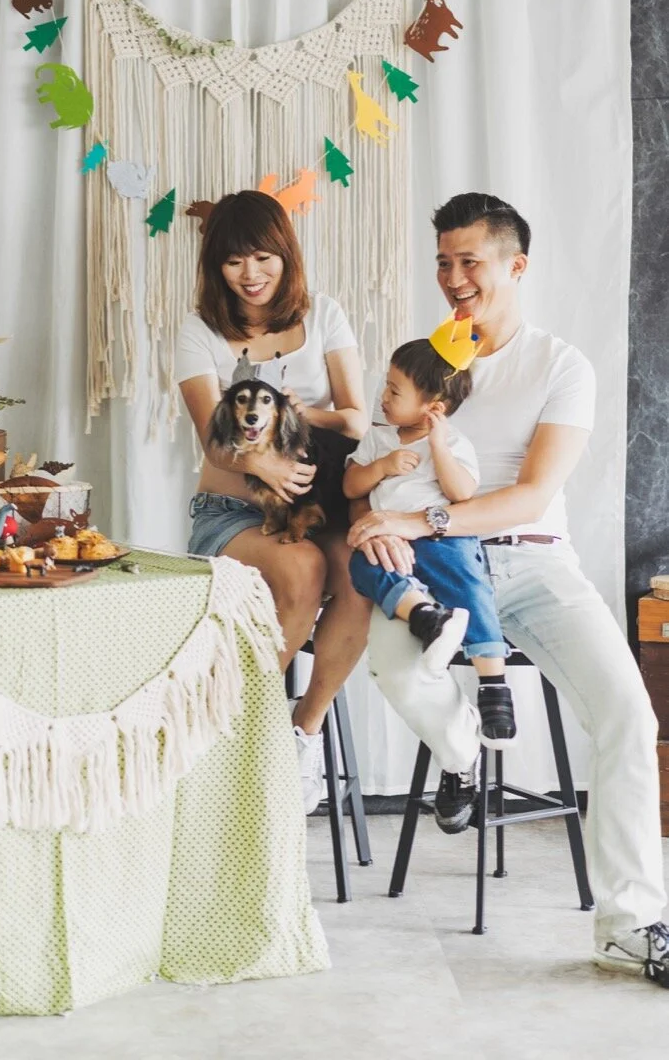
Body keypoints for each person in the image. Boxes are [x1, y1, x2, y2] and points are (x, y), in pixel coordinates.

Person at [347, 192, 668, 984]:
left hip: (532, 561)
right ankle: (462, 755)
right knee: (396, 667)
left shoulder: (560, 365)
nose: (453, 278)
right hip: (428, 568)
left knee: (628, 714)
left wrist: (420, 518)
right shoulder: (421, 363)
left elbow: (530, 496)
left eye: (470, 261)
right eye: (443, 263)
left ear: (515, 265)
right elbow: (371, 467)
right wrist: (374, 525)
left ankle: (631, 924)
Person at [175, 190, 372, 812]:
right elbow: (214, 444)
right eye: (234, 261)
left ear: (286, 255)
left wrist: (296, 415)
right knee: (305, 568)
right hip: (232, 512)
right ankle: (232, 735)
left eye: (263, 257)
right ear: (217, 267)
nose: (251, 274)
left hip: (316, 508)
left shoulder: (325, 315)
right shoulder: (199, 331)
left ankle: (300, 734)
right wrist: (262, 461)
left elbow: (357, 420)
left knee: (363, 573)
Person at [344, 333, 517, 757]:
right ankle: (425, 616)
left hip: (441, 538)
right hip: (390, 543)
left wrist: (438, 448)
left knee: (468, 584)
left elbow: (461, 494)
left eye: (394, 391)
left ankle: (493, 682)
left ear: (433, 407)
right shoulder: (379, 439)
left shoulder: (453, 444)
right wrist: (381, 467)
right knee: (362, 568)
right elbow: (351, 487)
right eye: (386, 386)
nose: (383, 397)